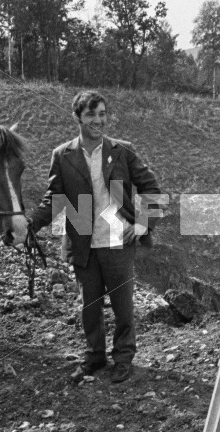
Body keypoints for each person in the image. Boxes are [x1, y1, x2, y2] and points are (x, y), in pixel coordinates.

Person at [30, 90, 161, 384]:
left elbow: (152, 188)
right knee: (89, 306)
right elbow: (54, 199)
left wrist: (141, 224)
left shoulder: (121, 150)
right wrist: (30, 224)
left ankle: (124, 358)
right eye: (91, 115)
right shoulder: (62, 155)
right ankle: (95, 356)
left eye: (102, 114)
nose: (98, 121)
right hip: (84, 242)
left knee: (123, 306)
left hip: (118, 242)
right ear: (77, 117)